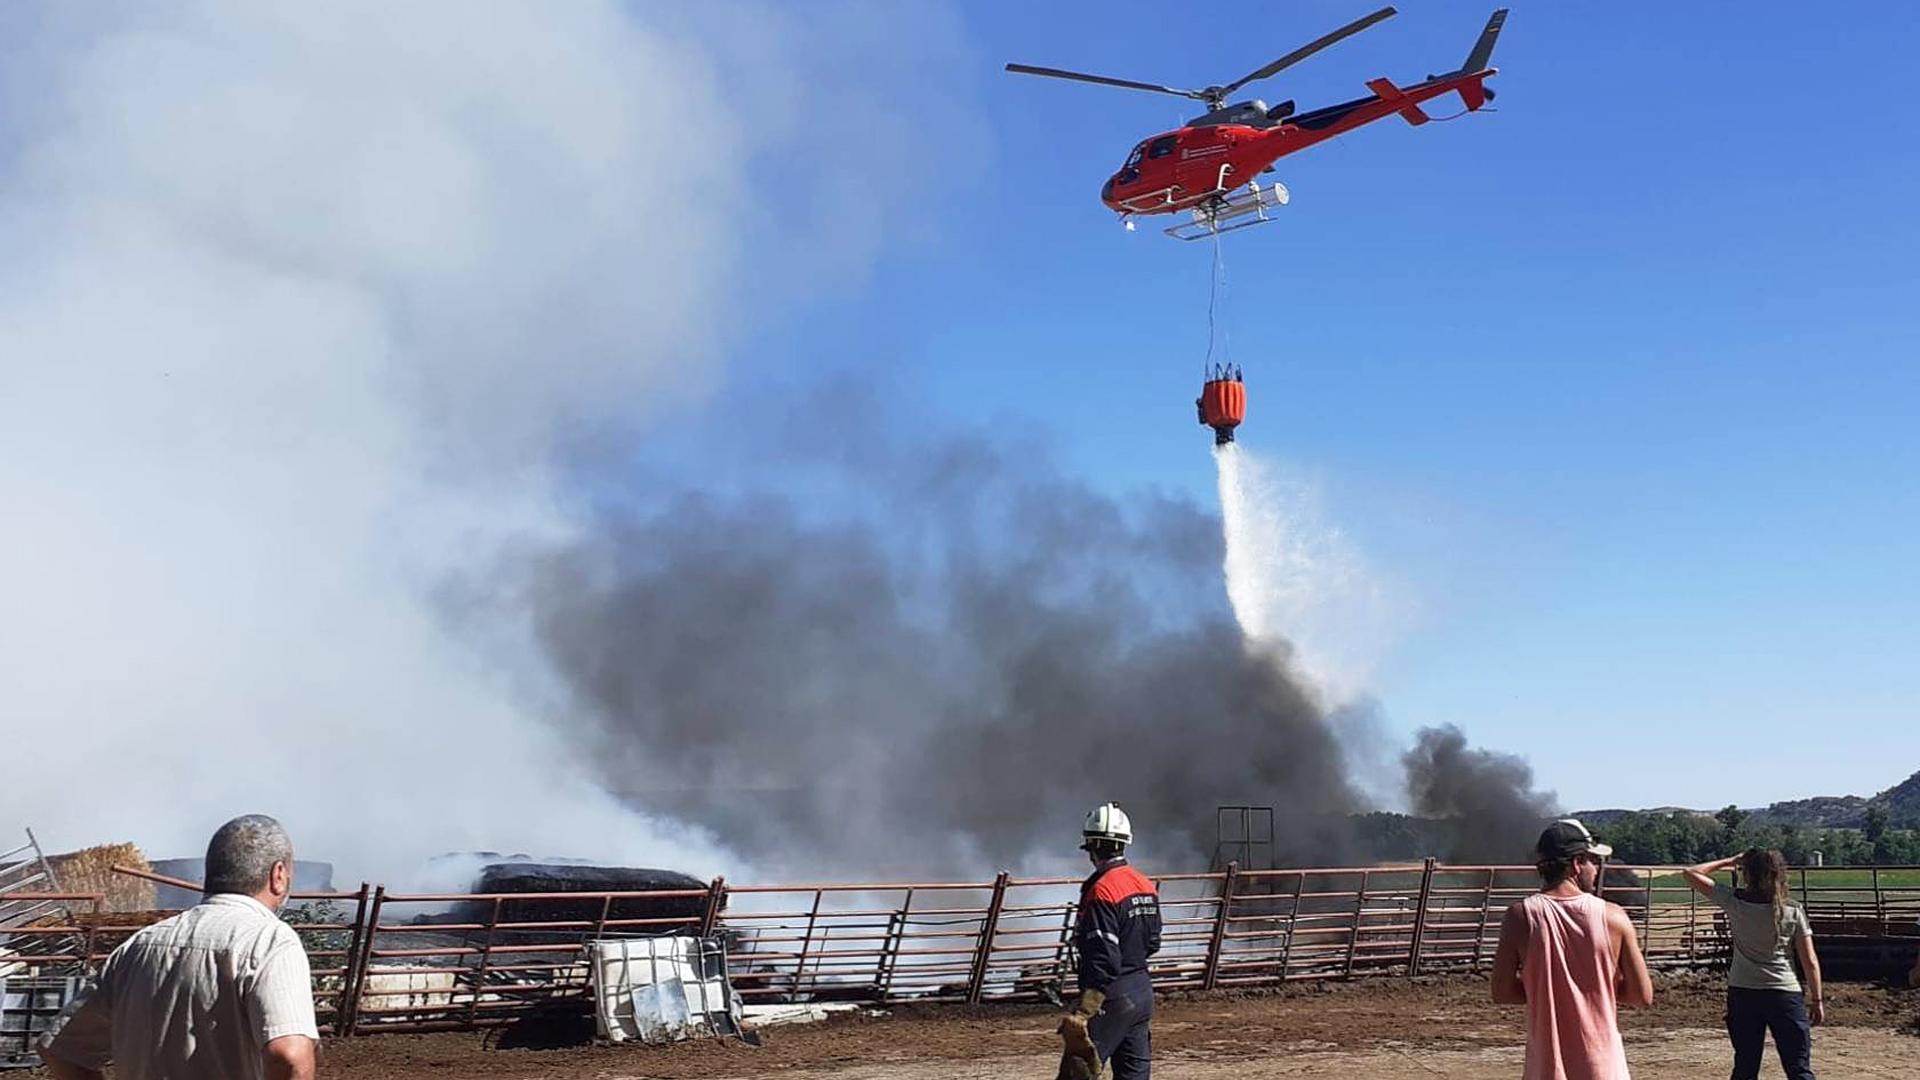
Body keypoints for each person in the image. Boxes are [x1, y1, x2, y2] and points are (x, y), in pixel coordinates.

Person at [38, 814, 320, 1080]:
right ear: (278, 874)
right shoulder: (269, 941)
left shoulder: (138, 946)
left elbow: (61, 1050)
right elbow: (290, 1056)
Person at [1491, 818, 1654, 1080]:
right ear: (1577, 863)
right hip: (1604, 1068)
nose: (1597, 869)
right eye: (1592, 861)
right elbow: (1641, 995)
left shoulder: (1519, 917)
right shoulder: (1614, 917)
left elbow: (1502, 992)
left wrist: (1548, 990)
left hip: (1545, 1069)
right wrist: (1596, 988)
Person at [1683, 849, 1822, 1080]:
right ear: (1779, 874)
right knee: (1798, 1068)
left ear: (1746, 873)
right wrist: (1817, 999)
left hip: (1743, 991)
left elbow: (1690, 873)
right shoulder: (1793, 910)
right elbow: (1810, 960)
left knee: (1745, 1066)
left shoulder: (1734, 901)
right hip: (1784, 993)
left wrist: (1729, 860)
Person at [1058, 802, 1161, 1080]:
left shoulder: (1102, 889)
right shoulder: (1144, 884)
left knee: (1077, 1073)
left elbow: (1104, 956)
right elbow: (1153, 942)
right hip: (1141, 991)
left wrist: (1086, 1008)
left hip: (1111, 996)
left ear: (1091, 846)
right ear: (1124, 843)